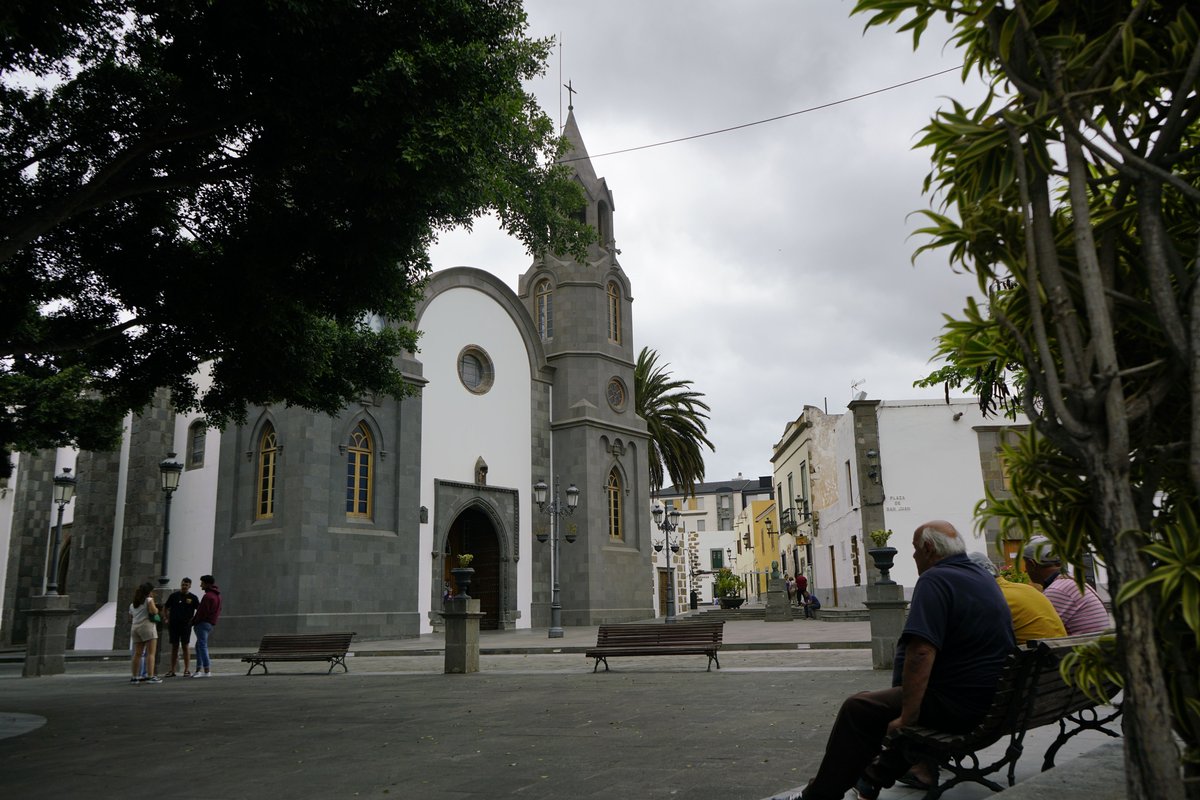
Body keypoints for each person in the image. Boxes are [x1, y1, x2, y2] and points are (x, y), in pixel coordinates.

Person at [794, 521, 1015, 800]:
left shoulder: (936, 579)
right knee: (886, 703)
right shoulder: (982, 577)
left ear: (929, 548)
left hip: (963, 706)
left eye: (914, 549)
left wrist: (907, 717)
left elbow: (921, 652)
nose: (912, 557)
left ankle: (818, 796)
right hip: (998, 700)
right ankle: (871, 777)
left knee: (859, 707)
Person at [967, 552, 1066, 644]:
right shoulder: (1026, 588)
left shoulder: (991, 598)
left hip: (1036, 659)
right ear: (996, 570)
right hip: (1059, 654)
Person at [1023, 537, 1110, 634]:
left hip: (1083, 647)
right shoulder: (1069, 581)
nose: (1025, 570)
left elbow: (1040, 632)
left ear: (1032, 564)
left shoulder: (1057, 590)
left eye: (1025, 564)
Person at [163, 576, 200, 677]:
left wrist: (194, 619)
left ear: (190, 586)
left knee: (185, 646)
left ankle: (187, 669)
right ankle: (172, 670)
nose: (184, 586)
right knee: (174, 646)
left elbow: (199, 609)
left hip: (186, 625)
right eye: (183, 584)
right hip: (174, 625)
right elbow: (166, 607)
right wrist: (166, 618)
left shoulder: (193, 598)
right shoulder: (174, 596)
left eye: (186, 585)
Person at [128, 581, 162, 684]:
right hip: (147, 627)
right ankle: (150, 676)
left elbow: (131, 616)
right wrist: (156, 608)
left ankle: (134, 676)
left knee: (137, 653)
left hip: (135, 627)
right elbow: (153, 611)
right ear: (149, 592)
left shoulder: (133, 604)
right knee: (151, 653)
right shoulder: (149, 600)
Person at [191, 574, 222, 678]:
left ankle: (206, 670)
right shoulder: (217, 596)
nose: (200, 585)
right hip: (210, 623)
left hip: (202, 623)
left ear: (207, 583)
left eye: (202, 583)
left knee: (202, 646)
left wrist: (194, 621)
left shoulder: (208, 596)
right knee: (199, 645)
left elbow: (201, 612)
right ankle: (199, 669)